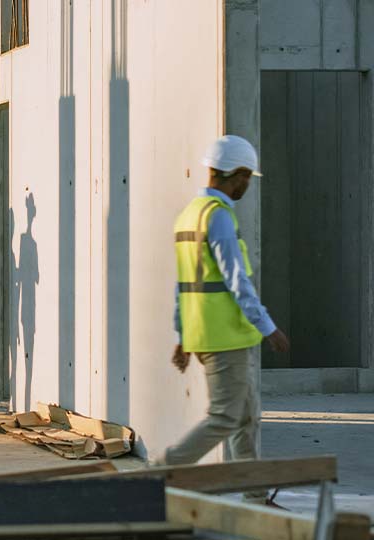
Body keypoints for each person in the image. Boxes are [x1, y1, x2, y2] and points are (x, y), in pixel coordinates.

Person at [162, 135, 291, 502]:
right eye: (246, 177)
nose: (247, 185)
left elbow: (183, 286)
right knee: (225, 418)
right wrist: (269, 327)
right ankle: (160, 473)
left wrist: (183, 335)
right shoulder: (217, 216)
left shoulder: (190, 213)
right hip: (225, 336)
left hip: (217, 333)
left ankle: (253, 495)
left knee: (246, 419)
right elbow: (236, 279)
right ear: (232, 173)